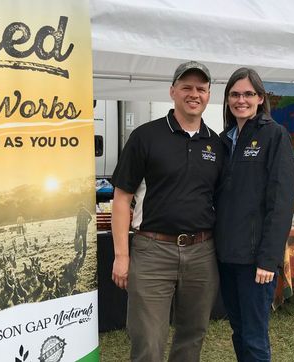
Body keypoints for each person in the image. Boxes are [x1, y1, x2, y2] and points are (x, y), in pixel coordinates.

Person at [110, 61, 223, 362]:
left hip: (202, 251)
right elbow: (121, 199)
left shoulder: (217, 144)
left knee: (192, 336)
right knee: (147, 339)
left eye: (201, 88)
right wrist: (122, 256)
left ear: (209, 95)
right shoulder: (145, 137)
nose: (194, 94)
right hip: (152, 250)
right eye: (186, 87)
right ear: (172, 91)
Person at [214, 67, 294, 362]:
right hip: (226, 257)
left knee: (254, 337)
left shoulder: (274, 135)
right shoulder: (224, 140)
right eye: (235, 94)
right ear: (227, 100)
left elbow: (282, 202)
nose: (241, 100)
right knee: (238, 330)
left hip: (255, 262)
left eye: (248, 93)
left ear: (260, 98)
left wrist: (268, 259)